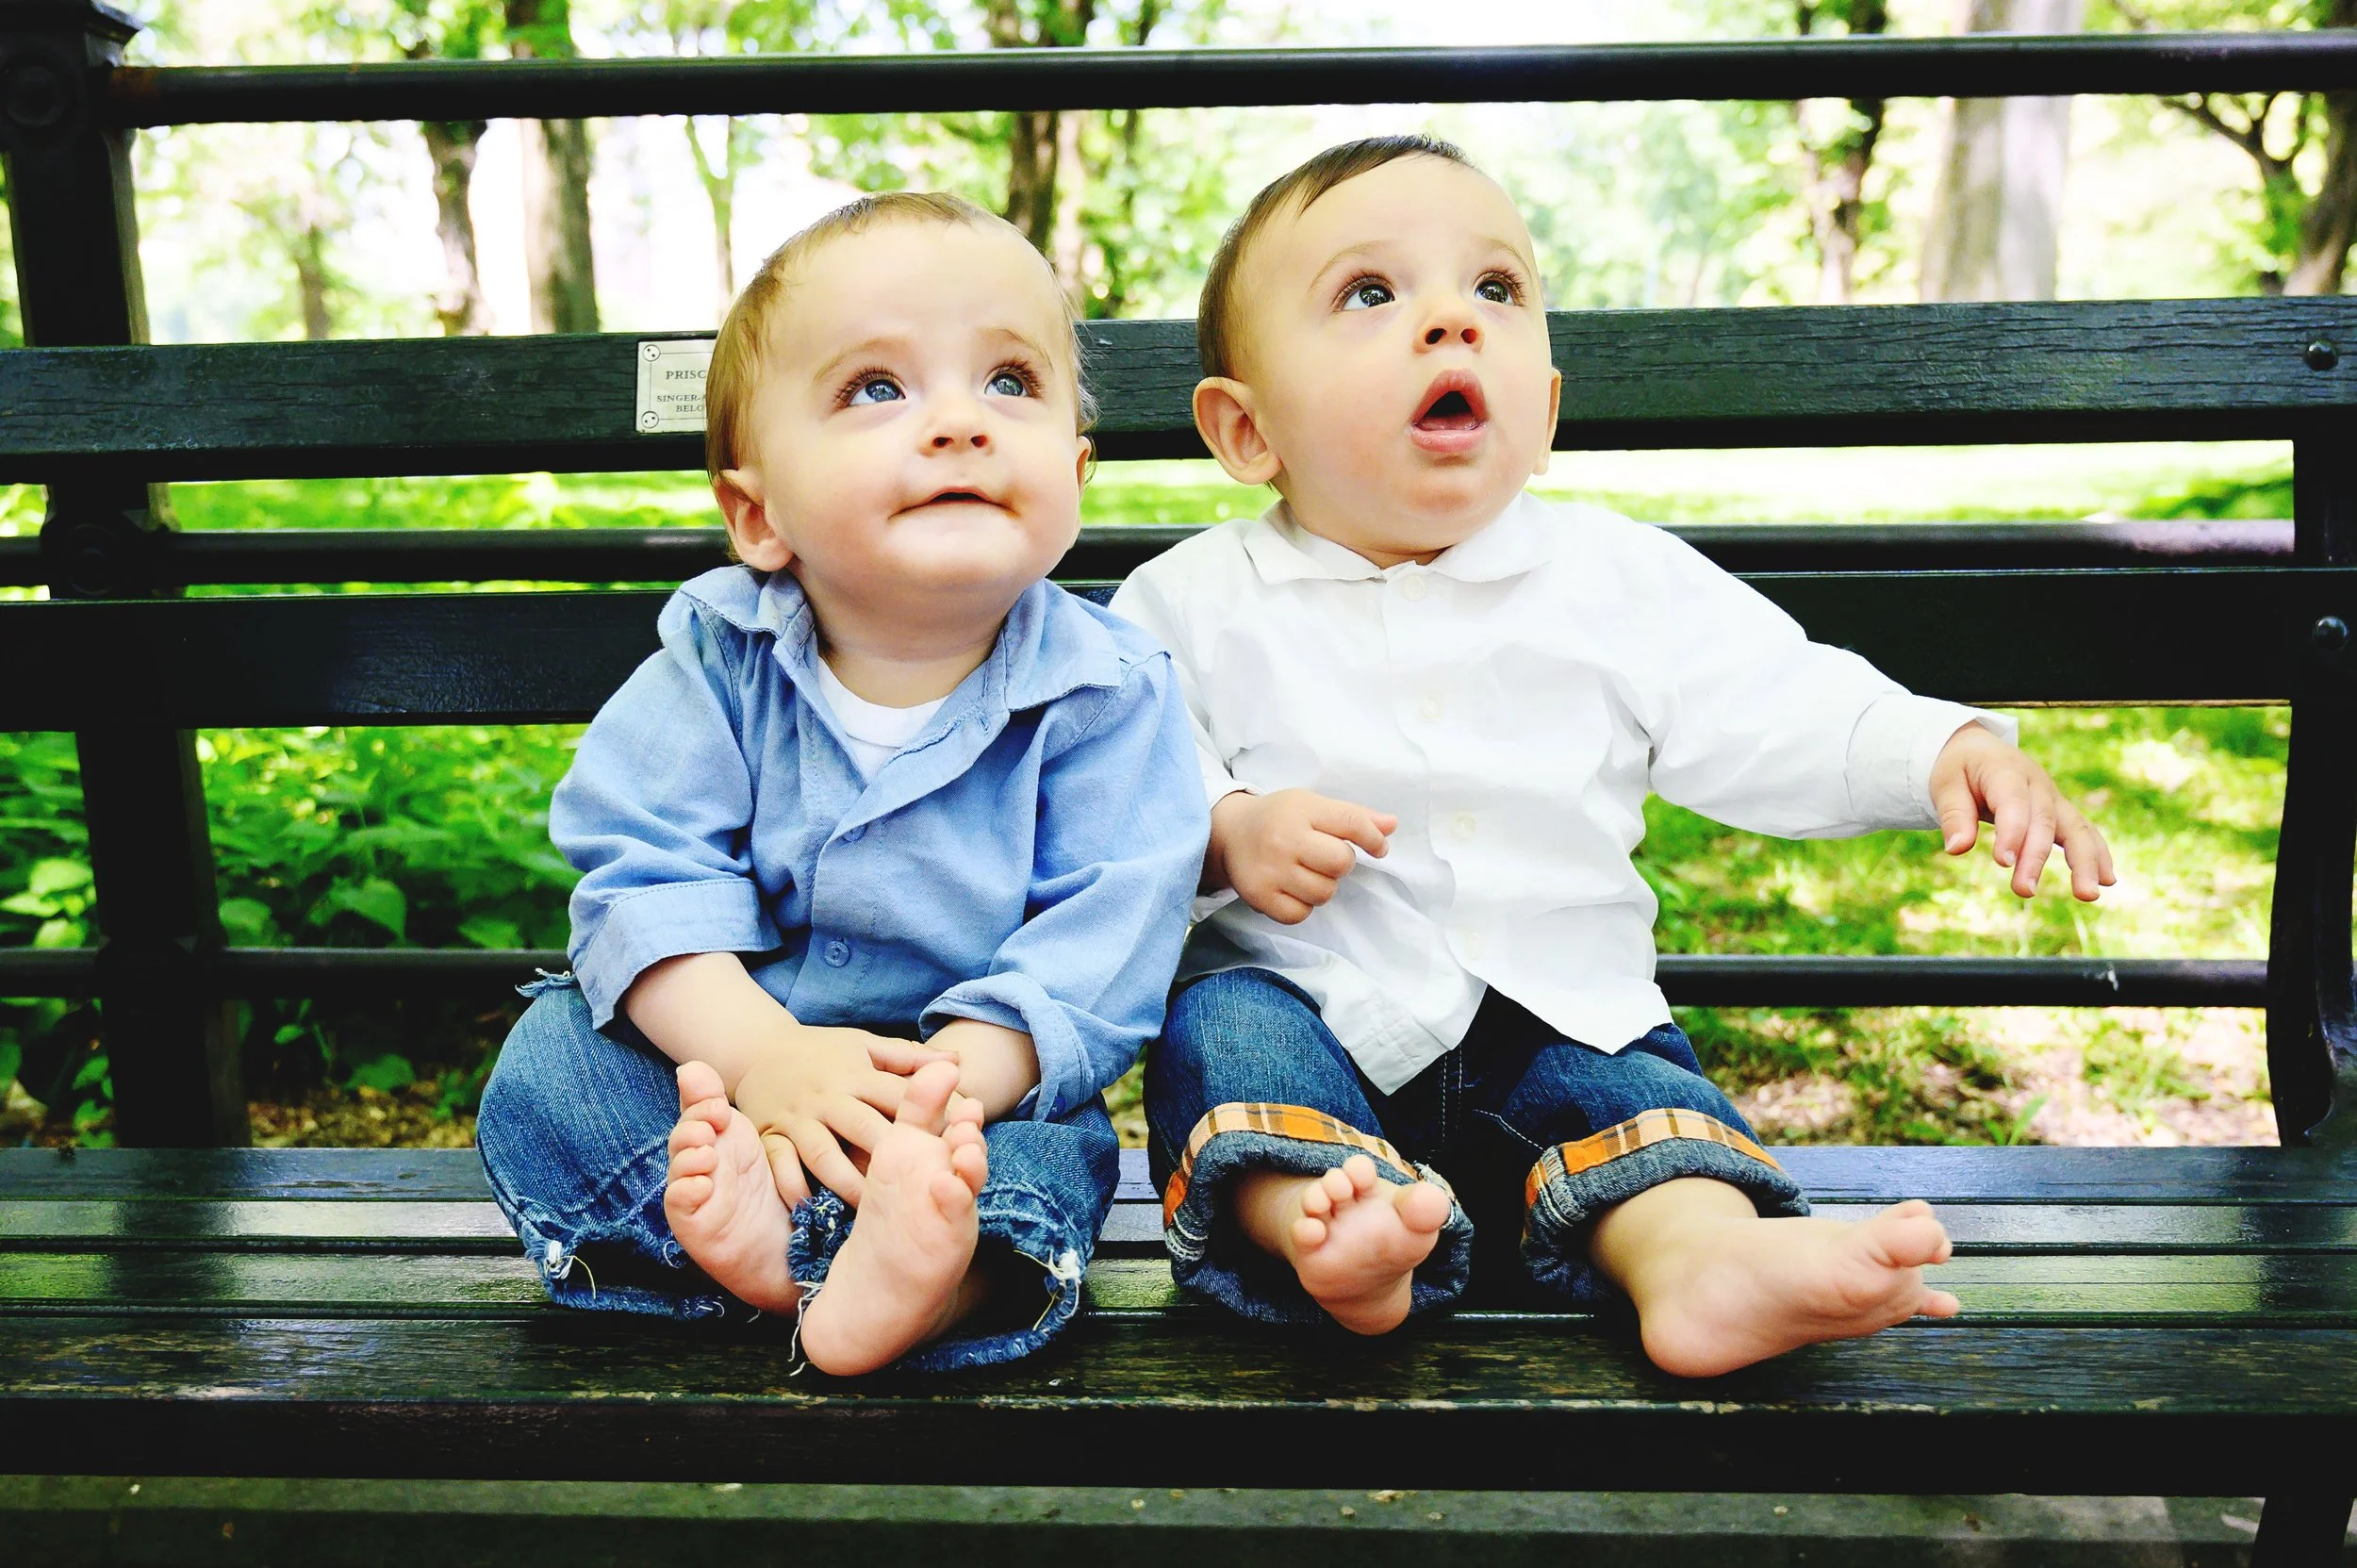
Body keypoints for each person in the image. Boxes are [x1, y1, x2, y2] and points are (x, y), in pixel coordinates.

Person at [1110, 137, 2115, 1378]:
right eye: (1372, 294)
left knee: (1635, 1100)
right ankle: (1329, 1232)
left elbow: (1781, 700)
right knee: (1226, 1037)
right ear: (1245, 430)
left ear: (1545, 413)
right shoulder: (1186, 602)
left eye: (1497, 290)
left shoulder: (1617, 580)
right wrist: (1226, 823)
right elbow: (1123, 775)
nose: (1449, 323)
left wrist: (1941, 747)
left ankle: (1700, 1264)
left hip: (1556, 1009)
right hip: (1313, 1010)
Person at [476, 191, 1207, 1377]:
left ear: (1074, 474)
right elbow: (641, 872)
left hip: (960, 1088)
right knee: (554, 1066)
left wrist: (937, 1090)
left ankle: (899, 1267)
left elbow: (1111, 925)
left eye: (1010, 382)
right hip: (729, 1063)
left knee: (1044, 1154)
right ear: (757, 512)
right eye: (879, 388)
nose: (961, 423)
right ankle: (806, 1267)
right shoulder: (719, 661)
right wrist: (764, 1062)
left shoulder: (1107, 689)